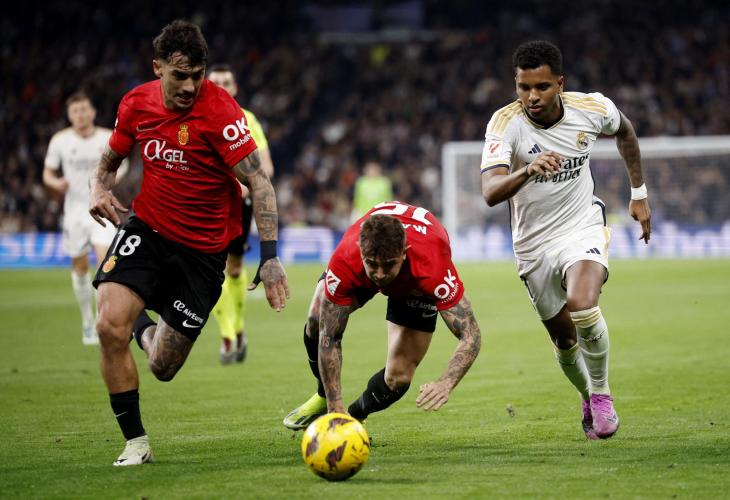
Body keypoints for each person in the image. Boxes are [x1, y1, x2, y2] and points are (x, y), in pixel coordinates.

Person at [88, 20, 289, 466]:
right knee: (107, 326)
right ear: (157, 67)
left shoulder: (221, 112)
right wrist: (98, 188)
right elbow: (108, 163)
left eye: (197, 75)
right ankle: (136, 443)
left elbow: (259, 182)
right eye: (180, 75)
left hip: (203, 252)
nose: (190, 86)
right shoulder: (135, 104)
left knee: (162, 365)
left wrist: (270, 257)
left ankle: (142, 325)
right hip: (148, 230)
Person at [479, 40, 651, 439]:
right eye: (523, 87)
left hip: (581, 224)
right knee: (564, 339)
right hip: (533, 244)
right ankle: (588, 395)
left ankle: (602, 395)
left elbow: (625, 131)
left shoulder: (591, 109)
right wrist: (527, 170)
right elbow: (489, 192)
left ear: (560, 83)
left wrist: (639, 194)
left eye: (541, 87)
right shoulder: (504, 124)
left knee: (583, 305)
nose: (531, 97)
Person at [283, 201, 481, 430]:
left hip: (411, 285)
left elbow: (471, 335)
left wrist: (446, 383)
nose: (379, 274)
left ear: (404, 253)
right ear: (360, 250)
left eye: (388, 265)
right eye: (372, 264)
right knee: (316, 320)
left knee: (399, 378)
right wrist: (334, 407)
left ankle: (354, 418)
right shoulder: (346, 257)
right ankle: (323, 396)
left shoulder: (432, 266)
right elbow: (330, 337)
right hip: (362, 272)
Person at [43, 92, 127, 345]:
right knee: (79, 267)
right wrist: (56, 183)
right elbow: (47, 173)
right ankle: (87, 321)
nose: (80, 115)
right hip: (75, 213)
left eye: (83, 109)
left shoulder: (106, 138)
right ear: (69, 115)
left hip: (102, 208)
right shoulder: (60, 140)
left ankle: (104, 319)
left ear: (92, 112)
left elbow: (122, 164)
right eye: (75, 111)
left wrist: (109, 181)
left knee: (106, 263)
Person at [207, 64, 275, 365]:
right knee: (212, 269)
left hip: (238, 204)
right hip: (206, 204)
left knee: (234, 269)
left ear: (234, 88)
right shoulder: (194, 118)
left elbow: (266, 167)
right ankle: (227, 337)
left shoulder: (247, 120)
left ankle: (238, 329)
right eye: (215, 82)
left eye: (226, 82)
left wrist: (246, 184)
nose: (221, 87)